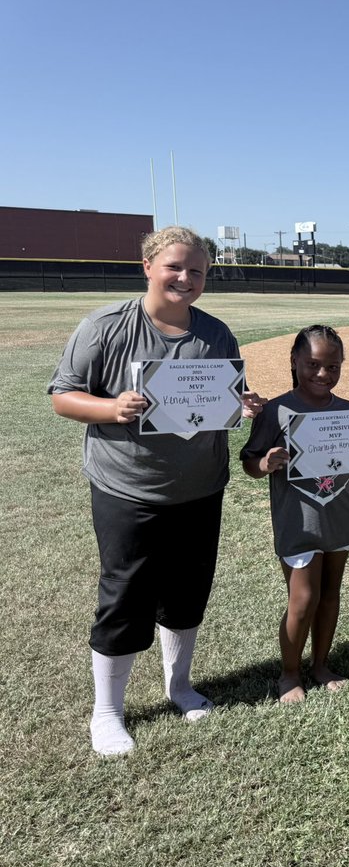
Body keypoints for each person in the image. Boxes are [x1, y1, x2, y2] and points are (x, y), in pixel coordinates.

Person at [48, 225, 263, 756]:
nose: (185, 278)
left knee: (188, 591)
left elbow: (224, 401)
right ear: (148, 266)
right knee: (125, 596)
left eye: (197, 271)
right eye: (175, 267)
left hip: (199, 488)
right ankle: (107, 711)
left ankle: (179, 685)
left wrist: (244, 406)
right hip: (128, 487)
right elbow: (62, 396)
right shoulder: (106, 327)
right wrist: (110, 408)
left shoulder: (216, 334)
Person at [240, 326, 349, 703]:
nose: (323, 374)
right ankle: (290, 674)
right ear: (294, 362)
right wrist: (266, 463)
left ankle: (321, 664)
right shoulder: (276, 410)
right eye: (313, 364)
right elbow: (249, 464)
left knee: (330, 596)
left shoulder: (348, 411)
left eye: (333, 366)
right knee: (303, 599)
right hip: (298, 521)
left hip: (339, 516)